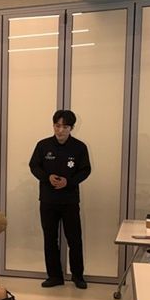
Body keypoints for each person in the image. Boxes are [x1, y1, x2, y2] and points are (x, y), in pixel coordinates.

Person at [29, 109, 91, 289]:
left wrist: (68, 182)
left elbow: (85, 170)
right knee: (50, 239)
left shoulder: (79, 147)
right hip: (48, 200)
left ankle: (78, 276)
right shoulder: (43, 145)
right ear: (53, 126)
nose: (60, 130)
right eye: (57, 126)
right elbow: (34, 166)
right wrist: (46, 177)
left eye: (65, 127)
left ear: (71, 128)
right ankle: (54, 276)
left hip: (69, 200)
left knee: (74, 239)